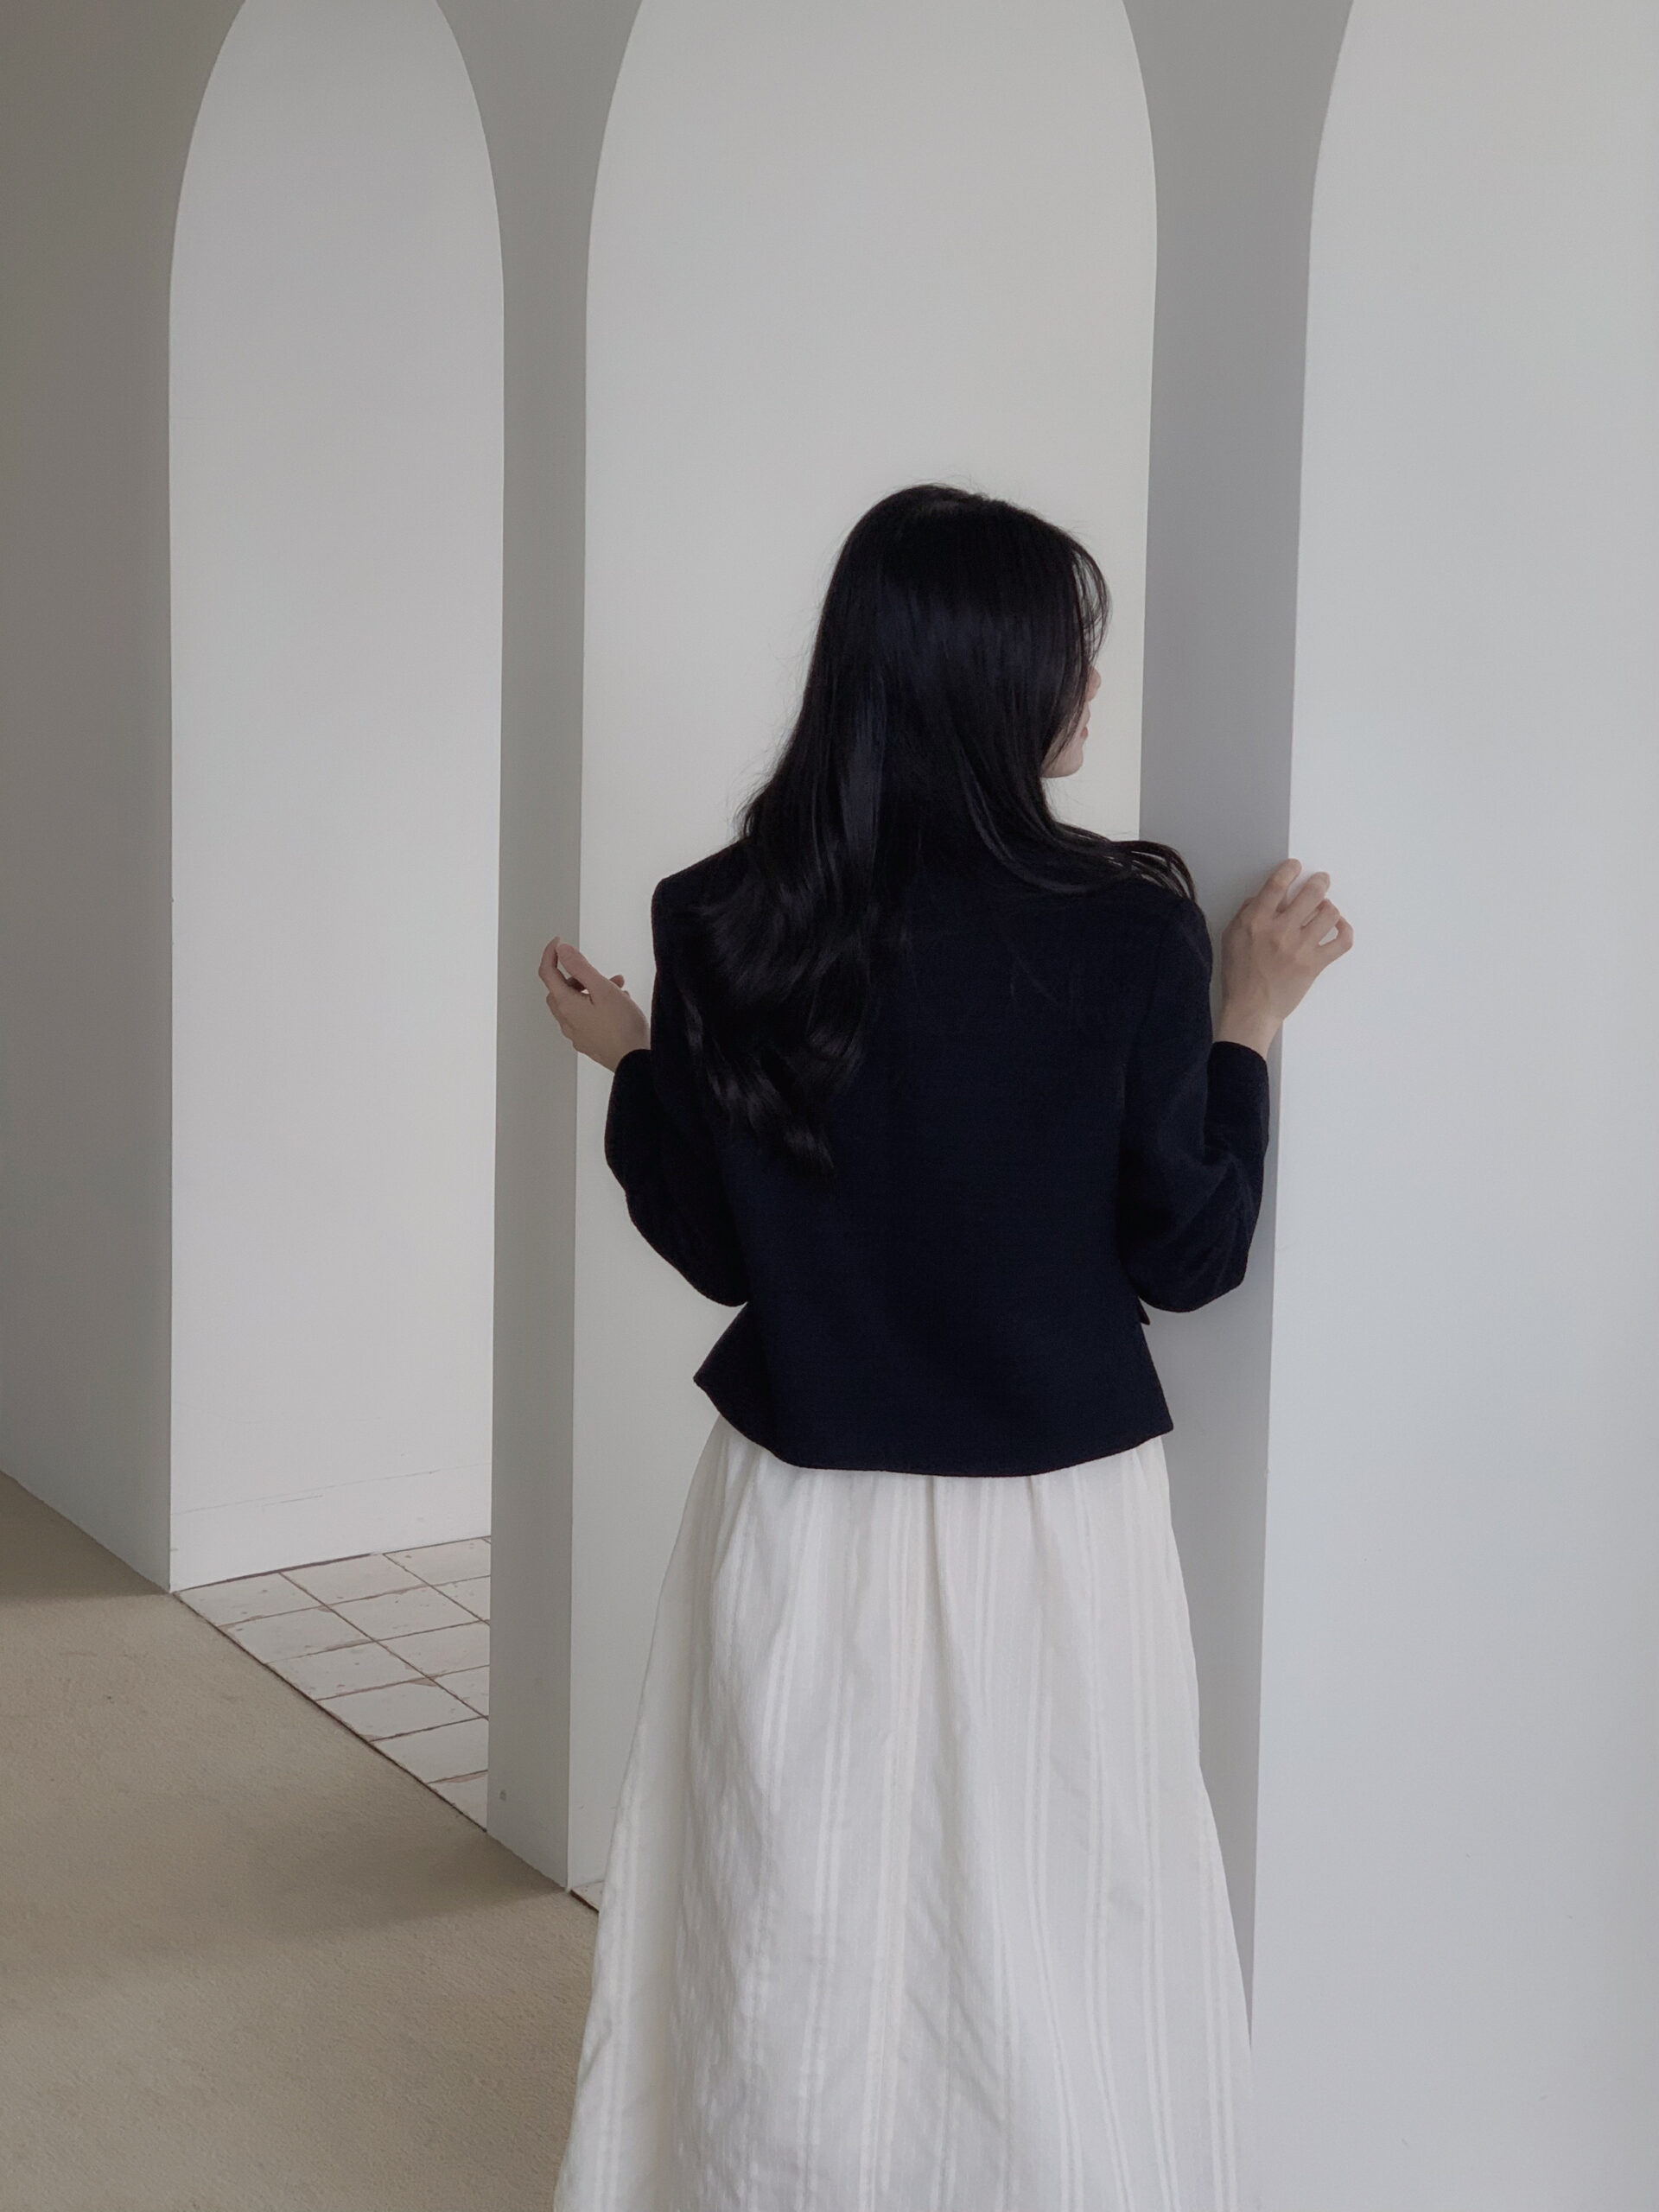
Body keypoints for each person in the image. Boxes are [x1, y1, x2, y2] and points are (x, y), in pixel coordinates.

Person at [541, 483, 1351, 2210]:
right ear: (997, 677)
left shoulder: (723, 916)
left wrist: (639, 1064)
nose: (1090, 686)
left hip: (799, 1503)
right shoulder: (1129, 926)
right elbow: (1187, 1252)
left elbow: (720, 1244)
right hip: (1055, 1522)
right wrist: (1250, 1023)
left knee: (787, 1913)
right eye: (1072, 652)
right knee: (1065, 1926)